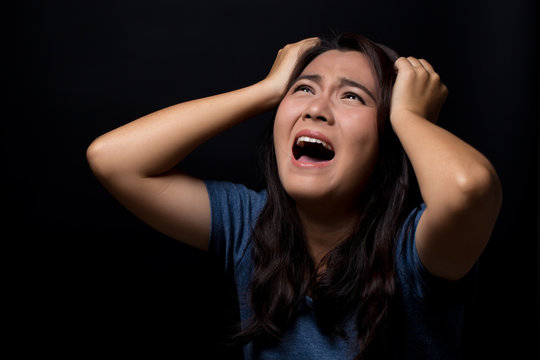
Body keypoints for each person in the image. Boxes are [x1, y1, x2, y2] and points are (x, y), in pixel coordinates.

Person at [86, 33, 502, 359]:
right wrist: (267, 90)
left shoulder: (416, 251)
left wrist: (408, 116)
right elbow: (113, 160)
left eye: (352, 96)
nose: (316, 109)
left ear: (389, 139)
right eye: (303, 89)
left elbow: (468, 188)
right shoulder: (248, 224)